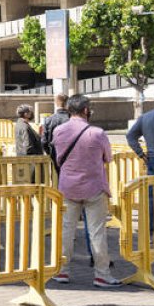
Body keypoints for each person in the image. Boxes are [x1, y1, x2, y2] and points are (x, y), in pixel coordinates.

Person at [52, 95, 121, 288]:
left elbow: (58, 159)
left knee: (66, 230)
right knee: (97, 232)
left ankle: (62, 271)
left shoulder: (58, 131)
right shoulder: (97, 133)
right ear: (85, 110)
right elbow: (108, 158)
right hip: (94, 187)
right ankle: (102, 274)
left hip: (67, 187)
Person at [40, 93, 71, 158]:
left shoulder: (48, 120)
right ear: (68, 103)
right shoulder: (72, 119)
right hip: (70, 156)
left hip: (55, 155)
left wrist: (50, 153)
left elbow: (44, 141)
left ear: (56, 104)